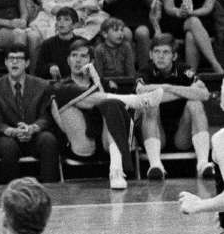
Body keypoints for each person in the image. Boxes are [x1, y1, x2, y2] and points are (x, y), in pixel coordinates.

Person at [51, 39, 163, 190]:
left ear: (91, 61)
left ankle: (116, 172)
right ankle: (135, 100)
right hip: (81, 143)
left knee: (111, 105)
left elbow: (120, 112)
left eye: (83, 56)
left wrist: (97, 81)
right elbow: (63, 118)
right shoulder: (61, 86)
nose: (78, 60)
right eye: (74, 55)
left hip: (107, 140)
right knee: (65, 92)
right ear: (68, 60)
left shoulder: (103, 83)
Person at [136, 34, 213, 180]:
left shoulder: (184, 70)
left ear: (174, 56)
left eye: (166, 52)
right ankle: (155, 166)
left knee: (195, 103)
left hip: (182, 134)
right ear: (151, 54)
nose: (160, 56)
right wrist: (185, 92)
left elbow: (204, 94)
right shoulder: (145, 71)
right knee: (151, 106)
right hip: (156, 132)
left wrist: (168, 87)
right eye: (157, 52)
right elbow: (142, 93)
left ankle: (203, 164)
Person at [0, 48, 61, 184]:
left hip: (34, 135)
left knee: (48, 140)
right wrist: (13, 131)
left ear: (27, 63)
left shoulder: (42, 85)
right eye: (11, 59)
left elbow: (46, 117)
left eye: (19, 59)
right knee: (7, 147)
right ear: (5, 62)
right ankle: (11, 192)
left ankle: (51, 189)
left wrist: (32, 128)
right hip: (7, 137)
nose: (14, 62)